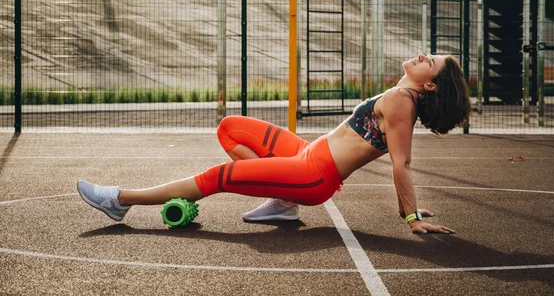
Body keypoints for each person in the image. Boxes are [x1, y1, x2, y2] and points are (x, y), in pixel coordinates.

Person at [78, 54, 471, 235]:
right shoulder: (402, 97)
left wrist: (411, 218)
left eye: (431, 61)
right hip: (304, 152)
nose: (424, 55)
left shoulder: (404, 102)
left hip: (313, 174)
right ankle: (282, 202)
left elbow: (401, 163)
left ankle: (121, 200)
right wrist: (411, 206)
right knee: (231, 128)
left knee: (219, 176)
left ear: (430, 83)